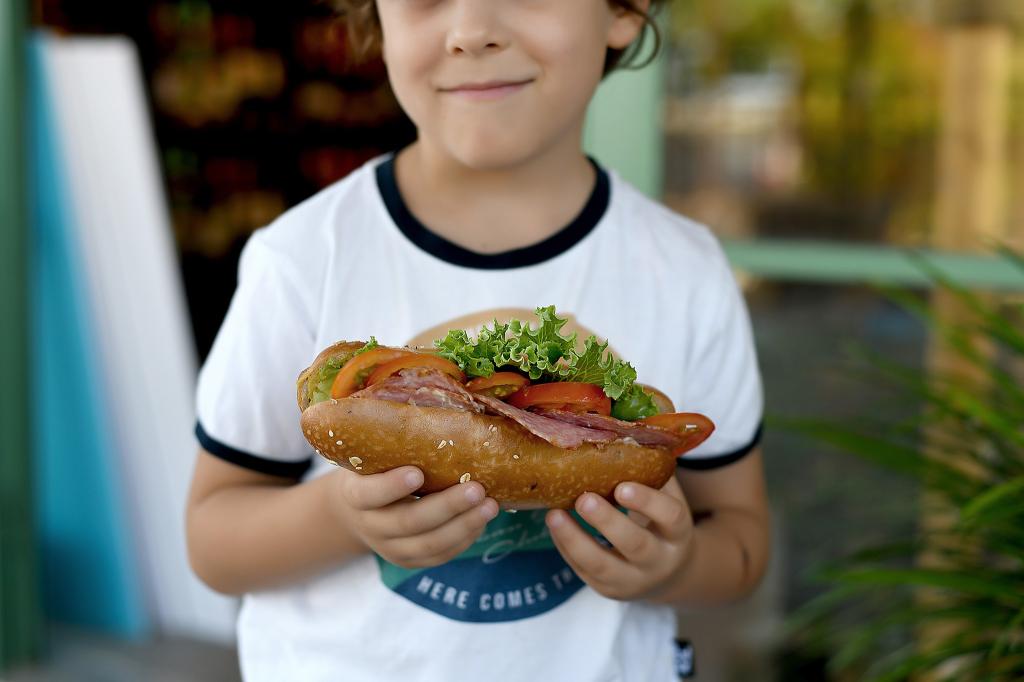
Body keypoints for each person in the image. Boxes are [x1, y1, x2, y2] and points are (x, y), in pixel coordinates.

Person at [185, 0, 771, 680]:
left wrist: (677, 566)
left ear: (624, 10)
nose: (471, 31)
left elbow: (743, 542)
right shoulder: (302, 256)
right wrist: (340, 519)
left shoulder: (687, 271)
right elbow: (211, 545)